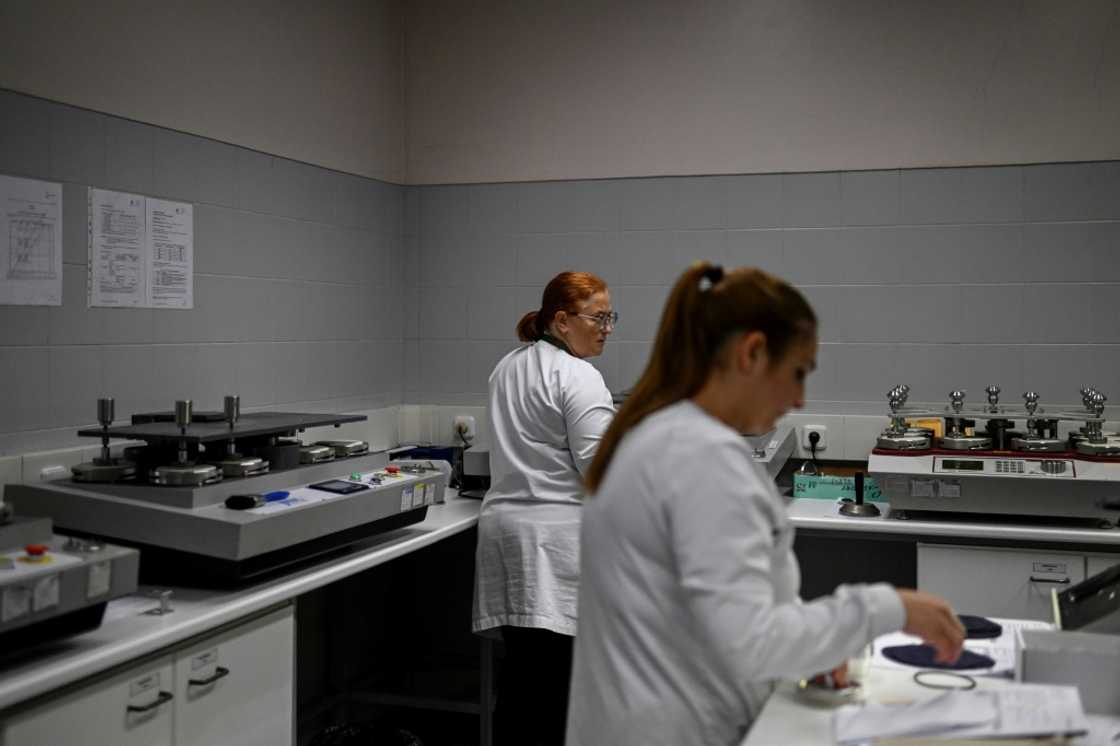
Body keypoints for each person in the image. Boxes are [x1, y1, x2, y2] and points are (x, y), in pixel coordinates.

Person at [566, 263, 965, 746]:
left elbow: (711, 614)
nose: (799, 398)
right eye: (798, 372)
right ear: (752, 353)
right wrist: (886, 608)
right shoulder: (703, 456)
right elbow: (750, 641)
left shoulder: (652, 436)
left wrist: (815, 649)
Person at [473, 271, 618, 746]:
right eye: (598, 317)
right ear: (562, 320)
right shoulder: (580, 376)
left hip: (508, 537)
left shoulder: (507, 367)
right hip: (557, 547)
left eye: (609, 317)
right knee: (559, 691)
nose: (607, 327)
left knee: (525, 683)